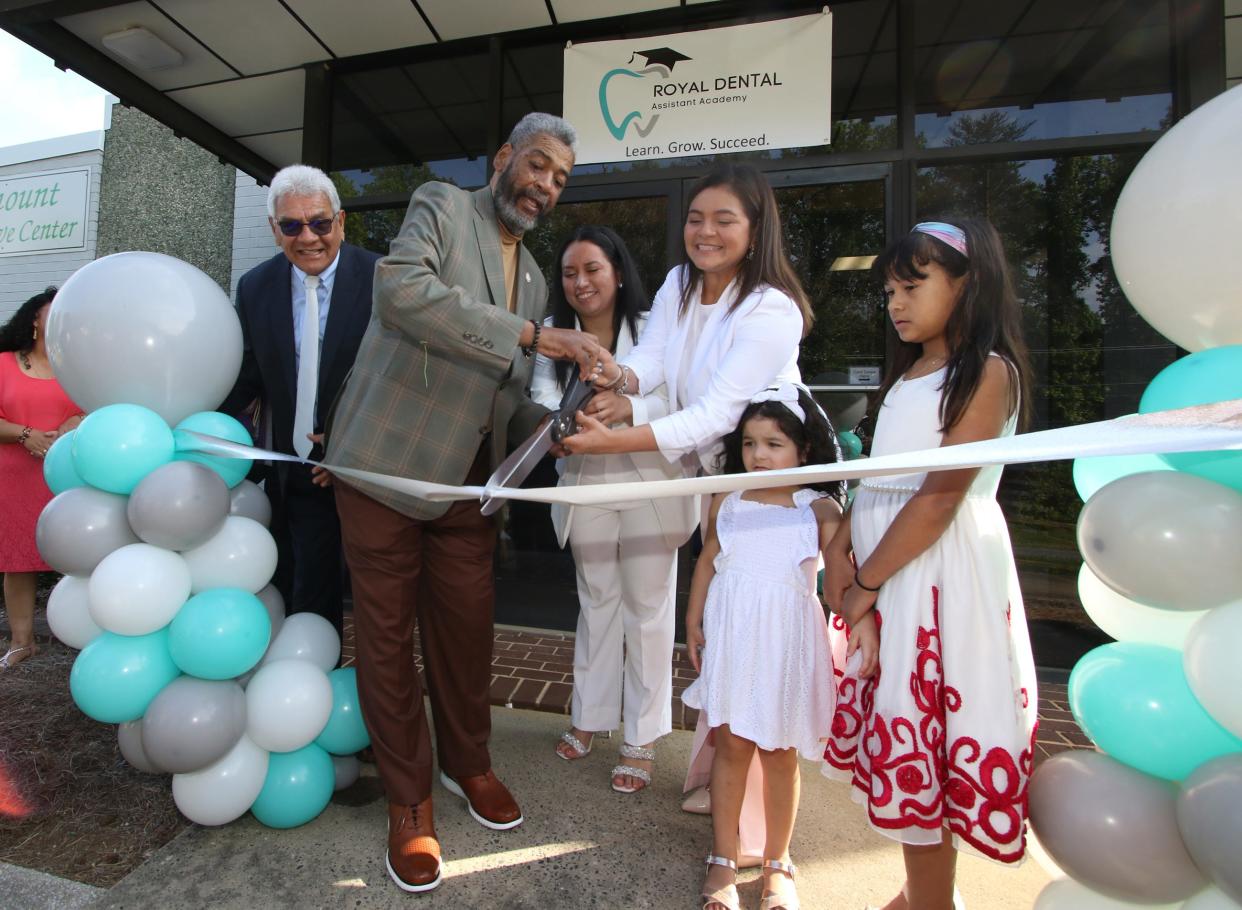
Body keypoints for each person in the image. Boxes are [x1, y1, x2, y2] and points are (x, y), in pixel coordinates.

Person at [324, 112, 599, 894]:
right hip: (383, 469)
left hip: (470, 489)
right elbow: (403, 293)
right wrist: (537, 339)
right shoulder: (441, 205)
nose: (545, 185)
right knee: (385, 642)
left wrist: (562, 424)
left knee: (468, 631)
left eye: (560, 179)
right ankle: (410, 801)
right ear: (505, 158)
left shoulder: (540, 278)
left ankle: (467, 766)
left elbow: (508, 391)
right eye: (538, 165)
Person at [565, 162, 814, 859]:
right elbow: (655, 360)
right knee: (719, 634)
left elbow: (715, 414)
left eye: (724, 219)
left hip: (771, 493)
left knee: (761, 637)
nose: (705, 232)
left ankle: (767, 832)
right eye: (696, 218)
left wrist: (618, 434)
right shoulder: (677, 284)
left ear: (756, 228)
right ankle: (715, 775)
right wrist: (614, 374)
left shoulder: (772, 309)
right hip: (718, 484)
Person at [821, 219, 1037, 910]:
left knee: (931, 747)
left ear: (968, 283)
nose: (896, 304)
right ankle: (924, 893)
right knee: (914, 753)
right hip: (890, 572)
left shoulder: (988, 373)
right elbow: (879, 483)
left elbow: (939, 496)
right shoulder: (908, 375)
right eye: (889, 291)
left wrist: (867, 584)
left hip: (937, 582)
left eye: (912, 286)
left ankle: (933, 901)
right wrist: (842, 547)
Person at [530, 225, 697, 793]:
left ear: (619, 272)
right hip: (585, 481)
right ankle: (590, 716)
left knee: (647, 609)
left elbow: (686, 398)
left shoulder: (655, 329)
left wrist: (629, 406)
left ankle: (641, 737)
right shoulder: (554, 341)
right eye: (570, 273)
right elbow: (540, 405)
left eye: (593, 269)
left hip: (652, 479)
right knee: (596, 599)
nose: (581, 282)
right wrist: (553, 430)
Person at [684, 384, 846, 910]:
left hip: (785, 646)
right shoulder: (728, 501)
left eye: (774, 444)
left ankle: (778, 862)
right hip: (734, 640)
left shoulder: (816, 508)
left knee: (779, 753)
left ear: (803, 449)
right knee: (731, 746)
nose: (759, 455)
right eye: (751, 443)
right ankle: (723, 857)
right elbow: (709, 558)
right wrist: (693, 617)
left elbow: (843, 572)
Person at [222, 164, 380, 640]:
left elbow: (404, 379)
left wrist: (354, 435)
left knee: (375, 609)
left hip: (366, 475)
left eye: (320, 222)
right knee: (297, 592)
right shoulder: (255, 288)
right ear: (274, 230)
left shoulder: (383, 279)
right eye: (291, 225)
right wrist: (202, 431)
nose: (307, 236)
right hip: (291, 477)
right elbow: (244, 377)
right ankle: (302, 690)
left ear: (341, 221)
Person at [0, 287, 83, 669]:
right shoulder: (2, 363)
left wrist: (74, 422)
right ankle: (22, 642)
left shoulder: (80, 368)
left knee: (77, 557)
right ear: (35, 318)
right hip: (13, 478)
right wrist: (24, 433)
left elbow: (99, 408)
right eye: (55, 309)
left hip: (66, 479)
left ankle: (82, 634)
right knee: (16, 560)